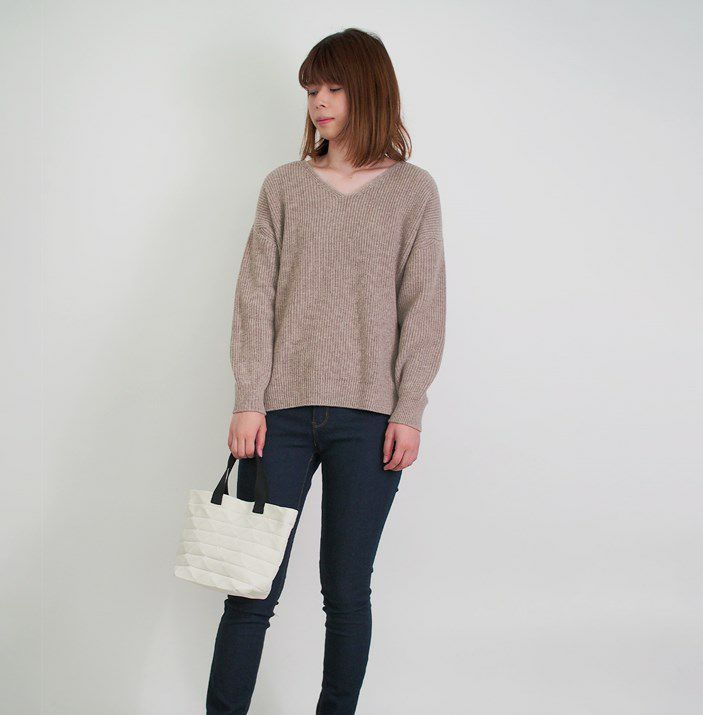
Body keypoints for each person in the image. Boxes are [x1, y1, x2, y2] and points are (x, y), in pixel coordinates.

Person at [206, 27, 447, 715]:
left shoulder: (412, 191)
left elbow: (423, 305)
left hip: (370, 421)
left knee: (345, 591)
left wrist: (409, 408)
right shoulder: (284, 186)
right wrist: (248, 397)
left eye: (334, 87)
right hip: (277, 416)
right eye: (312, 88)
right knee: (251, 588)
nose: (319, 101)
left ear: (368, 90)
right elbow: (254, 296)